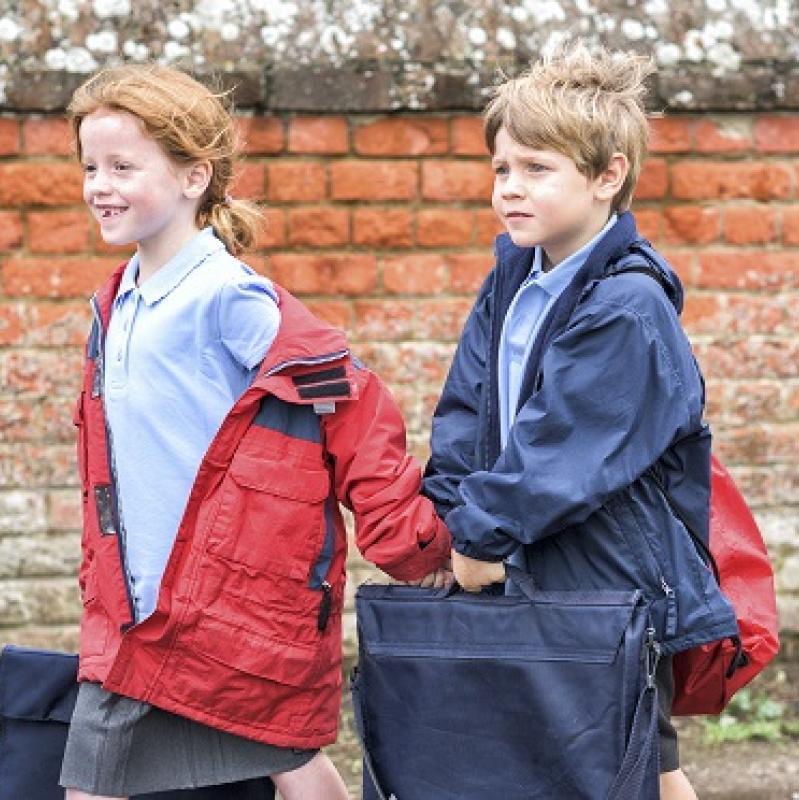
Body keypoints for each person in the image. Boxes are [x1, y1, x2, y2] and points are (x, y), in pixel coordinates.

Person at [63, 64, 451, 800]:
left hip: (222, 609)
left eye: (122, 166)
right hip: (137, 608)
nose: (99, 186)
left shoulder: (225, 295)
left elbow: (351, 404)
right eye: (89, 166)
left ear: (192, 177)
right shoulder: (121, 301)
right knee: (119, 777)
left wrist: (409, 540)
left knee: (279, 761)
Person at [422, 44, 737, 799]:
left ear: (607, 176)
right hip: (528, 568)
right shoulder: (512, 279)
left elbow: (566, 449)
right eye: (502, 169)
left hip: (607, 586)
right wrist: (445, 516)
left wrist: (481, 533)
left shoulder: (629, 307)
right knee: (589, 769)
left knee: (634, 769)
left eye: (537, 169)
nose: (510, 190)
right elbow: (466, 411)